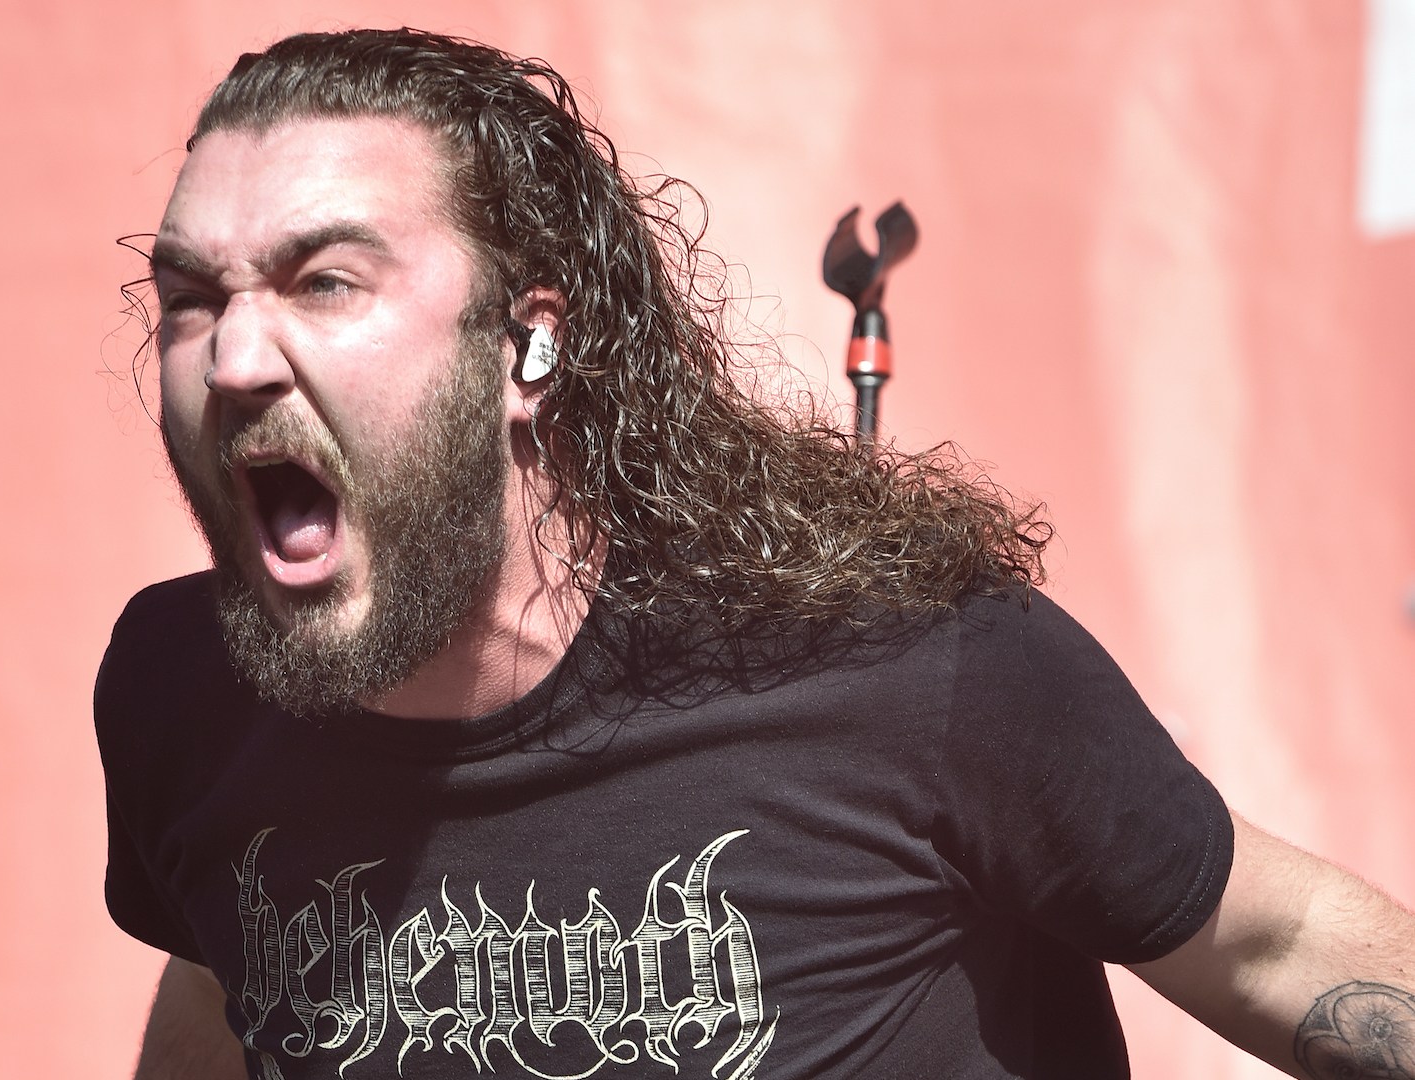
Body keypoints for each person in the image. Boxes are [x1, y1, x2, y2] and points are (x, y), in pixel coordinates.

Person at [95, 27, 1415, 1080]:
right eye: (191, 299)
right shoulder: (179, 691)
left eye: (325, 281)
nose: (233, 357)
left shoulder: (913, 670)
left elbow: (1277, 948)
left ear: (528, 348)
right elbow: (225, 975)